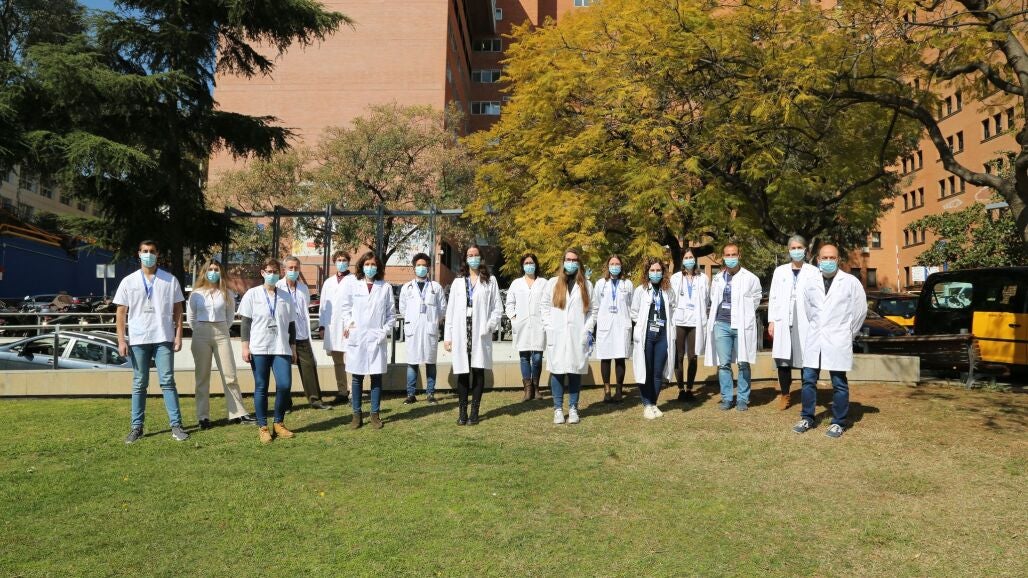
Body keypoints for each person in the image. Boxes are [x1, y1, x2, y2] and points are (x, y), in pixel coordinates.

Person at [115, 240, 189, 443]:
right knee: (139, 383)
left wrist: (178, 335)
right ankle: (136, 427)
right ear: (139, 254)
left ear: (158, 254)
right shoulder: (128, 281)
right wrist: (121, 340)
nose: (148, 254)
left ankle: (176, 426)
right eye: (145, 251)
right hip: (138, 339)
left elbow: (178, 310)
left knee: (167, 382)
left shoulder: (169, 280)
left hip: (163, 337)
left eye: (152, 251)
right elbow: (120, 313)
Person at [793, 244, 867, 438]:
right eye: (824, 258)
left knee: (839, 382)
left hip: (838, 338)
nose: (828, 261)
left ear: (838, 260)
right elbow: (809, 310)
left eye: (831, 258)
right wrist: (819, 326)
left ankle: (838, 422)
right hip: (815, 338)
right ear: (818, 260)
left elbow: (860, 311)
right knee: (808, 380)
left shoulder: (850, 282)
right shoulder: (810, 282)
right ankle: (807, 417)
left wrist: (848, 334)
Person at [187, 259, 254, 429]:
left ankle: (238, 413)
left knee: (230, 374)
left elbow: (230, 316)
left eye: (216, 269)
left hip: (222, 332)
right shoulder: (196, 294)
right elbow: (191, 318)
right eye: (210, 269)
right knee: (202, 377)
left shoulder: (227, 293)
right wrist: (201, 330)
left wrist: (221, 328)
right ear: (204, 272)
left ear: (220, 272)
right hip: (201, 333)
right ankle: (203, 417)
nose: (213, 272)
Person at [239, 258, 298, 444]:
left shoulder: (286, 296)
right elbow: (245, 323)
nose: (272, 275)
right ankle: (263, 426)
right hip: (259, 346)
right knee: (261, 386)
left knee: (284, 385)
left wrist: (293, 347)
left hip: (281, 347)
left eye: (275, 272)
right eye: (269, 271)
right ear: (263, 273)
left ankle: (278, 423)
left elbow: (291, 325)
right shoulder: (252, 294)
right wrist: (245, 346)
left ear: (280, 273)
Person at [444, 245, 502, 425]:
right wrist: (448, 336)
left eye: (476, 255)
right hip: (462, 333)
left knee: (478, 371)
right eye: (470, 255)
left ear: (481, 258)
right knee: (462, 373)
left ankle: (474, 412)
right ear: (465, 259)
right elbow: (450, 311)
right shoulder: (458, 282)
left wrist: (489, 326)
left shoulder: (490, 281)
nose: (473, 258)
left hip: (480, 333)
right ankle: (462, 412)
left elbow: (497, 308)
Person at [339, 252, 396, 430]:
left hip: (376, 337)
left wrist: (383, 331)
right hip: (358, 336)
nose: (370, 267)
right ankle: (356, 415)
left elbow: (391, 314)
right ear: (361, 266)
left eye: (373, 264)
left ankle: (375, 414)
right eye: (367, 264)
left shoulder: (385, 287)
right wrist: (349, 325)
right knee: (357, 377)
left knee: (376, 377)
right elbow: (345, 308)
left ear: (378, 267)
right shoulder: (353, 285)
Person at [704, 243, 762, 411]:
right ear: (723, 257)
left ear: (739, 255)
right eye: (727, 255)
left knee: (743, 362)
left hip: (741, 325)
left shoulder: (750, 278)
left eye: (733, 254)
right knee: (724, 364)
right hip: (721, 324)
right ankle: (727, 398)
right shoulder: (718, 278)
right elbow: (713, 297)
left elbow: (756, 297)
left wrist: (746, 312)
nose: (730, 258)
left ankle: (742, 398)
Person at [541, 248, 594, 424]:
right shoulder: (552, 283)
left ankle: (573, 408)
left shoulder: (586, 285)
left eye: (574, 260)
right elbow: (544, 307)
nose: (571, 263)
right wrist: (549, 327)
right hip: (557, 334)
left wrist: (587, 329)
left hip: (577, 334)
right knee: (557, 372)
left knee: (574, 372)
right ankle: (557, 409)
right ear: (563, 262)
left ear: (579, 263)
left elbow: (593, 311)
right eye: (568, 260)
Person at [768, 236, 819, 411]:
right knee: (783, 359)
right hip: (783, 319)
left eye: (799, 247)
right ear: (789, 250)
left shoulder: (813, 271)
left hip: (805, 319)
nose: (796, 251)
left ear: (805, 250)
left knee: (806, 358)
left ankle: (807, 395)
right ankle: (785, 394)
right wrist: (772, 321)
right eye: (793, 248)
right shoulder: (780, 271)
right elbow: (773, 297)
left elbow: (817, 298)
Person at [278, 256, 332, 411]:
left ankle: (315, 400)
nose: (293, 270)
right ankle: (285, 403)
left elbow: (304, 309)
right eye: (290, 268)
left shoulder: (303, 288)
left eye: (296, 268)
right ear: (284, 269)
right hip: (284, 336)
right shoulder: (278, 287)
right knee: (283, 371)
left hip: (301, 335)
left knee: (309, 368)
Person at [630, 257, 677, 419]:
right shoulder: (640, 290)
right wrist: (643, 325)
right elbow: (634, 312)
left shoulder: (668, 291)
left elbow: (673, 308)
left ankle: (654, 403)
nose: (655, 273)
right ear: (647, 272)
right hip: (647, 335)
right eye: (652, 270)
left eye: (658, 270)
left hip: (663, 335)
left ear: (663, 273)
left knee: (658, 372)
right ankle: (646, 404)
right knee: (645, 370)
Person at [399, 252, 447, 404]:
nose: (421, 268)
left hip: (429, 330)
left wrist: (433, 321)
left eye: (424, 265)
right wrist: (414, 320)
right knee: (412, 363)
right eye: (418, 265)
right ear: (414, 268)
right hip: (413, 330)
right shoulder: (407, 287)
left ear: (428, 268)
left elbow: (442, 309)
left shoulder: (436, 287)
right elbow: (403, 309)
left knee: (430, 362)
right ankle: (411, 394)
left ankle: (430, 394)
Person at [590, 254, 633, 403]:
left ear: (621, 266)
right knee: (606, 358)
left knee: (620, 358)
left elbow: (631, 304)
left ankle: (619, 390)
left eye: (617, 264)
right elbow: (596, 305)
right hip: (605, 326)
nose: (614, 266)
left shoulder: (627, 284)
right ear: (608, 266)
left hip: (622, 325)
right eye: (612, 264)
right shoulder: (600, 284)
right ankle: (607, 390)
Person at [506, 253, 547, 401]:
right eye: (526, 263)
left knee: (537, 358)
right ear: (522, 266)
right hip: (521, 325)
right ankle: (528, 389)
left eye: (531, 263)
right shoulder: (516, 283)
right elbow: (509, 304)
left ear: (536, 265)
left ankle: (536, 388)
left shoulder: (543, 283)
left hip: (538, 325)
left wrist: (546, 320)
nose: (529, 265)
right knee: (524, 357)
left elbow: (548, 303)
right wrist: (514, 318)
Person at [669, 248, 709, 401]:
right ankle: (680, 389)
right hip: (679, 321)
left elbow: (706, 299)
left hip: (695, 321)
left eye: (691, 257)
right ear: (682, 260)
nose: (688, 260)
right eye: (686, 258)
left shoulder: (703, 278)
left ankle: (690, 389)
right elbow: (671, 299)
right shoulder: (676, 278)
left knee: (693, 356)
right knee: (679, 356)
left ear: (695, 259)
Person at [319, 250, 352, 406]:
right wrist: (322, 325)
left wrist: (352, 324)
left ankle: (353, 392)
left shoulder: (354, 280)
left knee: (351, 360)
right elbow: (323, 306)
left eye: (344, 260)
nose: (341, 262)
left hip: (349, 327)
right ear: (334, 262)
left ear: (348, 262)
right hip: (332, 327)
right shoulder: (328, 282)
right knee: (338, 361)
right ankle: (342, 391)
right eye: (339, 260)